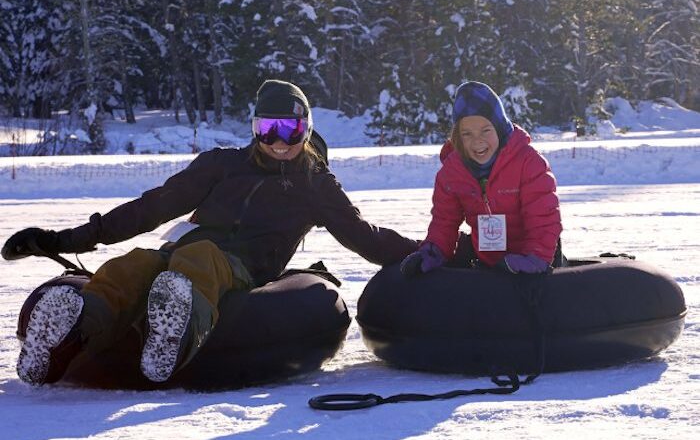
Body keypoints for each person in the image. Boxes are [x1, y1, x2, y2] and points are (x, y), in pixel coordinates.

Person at [2, 79, 418, 385]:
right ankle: (62, 345)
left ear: (306, 130)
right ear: (254, 129)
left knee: (199, 259)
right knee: (133, 264)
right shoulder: (221, 165)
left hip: (242, 269)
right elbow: (150, 208)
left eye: (289, 131)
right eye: (267, 130)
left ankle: (173, 340)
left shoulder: (316, 184)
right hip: (180, 256)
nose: (278, 142)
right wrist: (63, 240)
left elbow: (366, 237)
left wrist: (431, 250)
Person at [400, 81, 562, 277]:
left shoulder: (529, 163)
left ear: (500, 129)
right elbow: (444, 221)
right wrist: (433, 252)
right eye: (467, 134)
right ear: (457, 137)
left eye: (485, 130)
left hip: (537, 259)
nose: (477, 140)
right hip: (490, 263)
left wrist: (534, 258)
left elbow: (543, 219)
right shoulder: (452, 172)